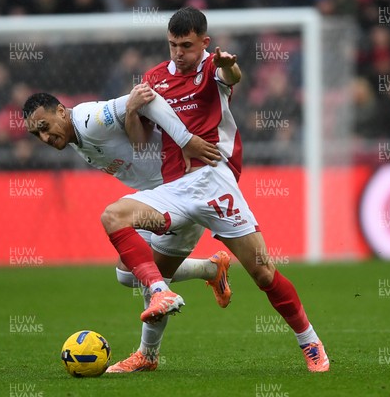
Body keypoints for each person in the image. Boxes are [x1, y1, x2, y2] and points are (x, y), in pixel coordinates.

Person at [101, 7, 329, 373]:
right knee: (127, 257)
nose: (178, 52)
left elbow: (232, 75)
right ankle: (149, 352)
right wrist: (131, 109)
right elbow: (141, 141)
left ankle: (310, 342)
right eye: (173, 44)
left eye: (187, 45)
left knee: (263, 272)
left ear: (204, 43)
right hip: (173, 190)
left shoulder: (212, 67)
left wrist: (227, 64)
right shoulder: (155, 78)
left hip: (213, 183)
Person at [22, 88, 234, 366]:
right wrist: (133, 115)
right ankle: (210, 268)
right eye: (37, 134)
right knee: (127, 273)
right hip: (156, 197)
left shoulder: (90, 119)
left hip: (182, 190)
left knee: (154, 280)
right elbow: (136, 128)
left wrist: (184, 140)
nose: (44, 138)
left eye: (45, 128)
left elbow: (146, 98)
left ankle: (148, 355)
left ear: (61, 111)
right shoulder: (74, 135)